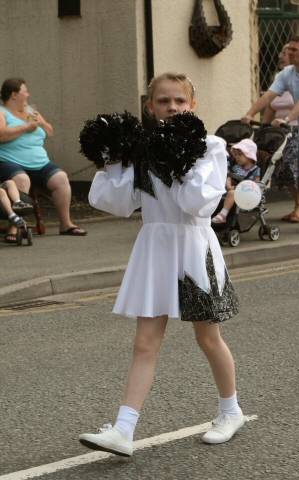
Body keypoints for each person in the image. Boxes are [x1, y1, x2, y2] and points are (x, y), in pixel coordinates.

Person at [79, 72, 247, 457]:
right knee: (145, 342)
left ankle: (231, 410)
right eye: (163, 102)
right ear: (149, 106)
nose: (172, 108)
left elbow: (199, 203)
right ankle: (123, 429)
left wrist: (180, 160)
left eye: (179, 101)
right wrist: (113, 161)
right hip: (154, 245)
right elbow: (118, 203)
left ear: (193, 104)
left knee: (208, 337)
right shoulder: (141, 149)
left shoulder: (211, 145)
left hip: (193, 245)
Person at [242, 36, 299, 234]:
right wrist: (250, 113)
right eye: (289, 50)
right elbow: (269, 96)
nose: (289, 53)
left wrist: (288, 118)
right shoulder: (287, 73)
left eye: (294, 50)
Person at [0, 78, 87, 242]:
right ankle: (14, 227)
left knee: (60, 178)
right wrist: (26, 127)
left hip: (39, 163)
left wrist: (41, 123)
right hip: (9, 162)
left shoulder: (30, 111)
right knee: (21, 179)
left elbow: (49, 131)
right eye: (25, 91)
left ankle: (66, 224)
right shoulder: (2, 112)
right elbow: (2, 135)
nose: (28, 94)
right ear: (13, 95)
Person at [262, 44, 299, 223]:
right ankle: (297, 204)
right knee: (282, 171)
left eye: (288, 52)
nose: (282, 55)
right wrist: (264, 128)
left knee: (293, 168)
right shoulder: (278, 79)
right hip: (280, 134)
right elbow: (271, 105)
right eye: (281, 52)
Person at [212, 138, 260, 223]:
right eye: (236, 155)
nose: (236, 157)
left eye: (239, 155)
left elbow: (256, 184)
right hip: (231, 188)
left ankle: (223, 215)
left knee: (232, 193)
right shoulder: (236, 167)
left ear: (249, 155)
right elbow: (229, 176)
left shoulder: (255, 170)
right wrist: (228, 185)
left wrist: (237, 188)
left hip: (247, 192)